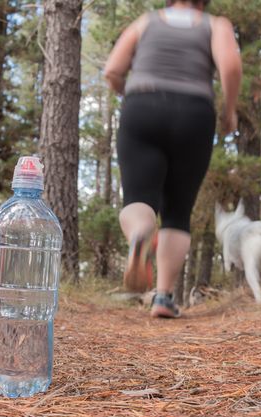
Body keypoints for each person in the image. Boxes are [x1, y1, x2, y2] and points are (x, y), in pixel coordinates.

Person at [103, 0, 242, 318]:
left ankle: (140, 233)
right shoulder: (215, 24)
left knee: (139, 197)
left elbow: (112, 70)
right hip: (194, 113)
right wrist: (229, 110)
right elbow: (231, 67)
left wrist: (131, 92)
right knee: (178, 210)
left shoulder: (146, 21)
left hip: (143, 105)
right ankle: (163, 298)